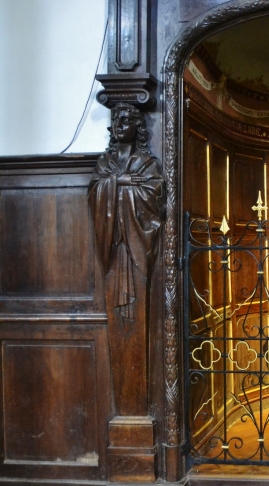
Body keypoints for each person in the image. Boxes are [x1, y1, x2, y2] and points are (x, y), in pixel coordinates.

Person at [88, 102, 164, 415]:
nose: (120, 123)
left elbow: (154, 194)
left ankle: (137, 411)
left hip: (136, 247)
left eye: (126, 119)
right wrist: (119, 183)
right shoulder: (105, 162)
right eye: (116, 119)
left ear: (137, 126)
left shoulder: (146, 161)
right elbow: (95, 192)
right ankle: (127, 412)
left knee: (137, 315)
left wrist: (128, 189)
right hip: (114, 248)